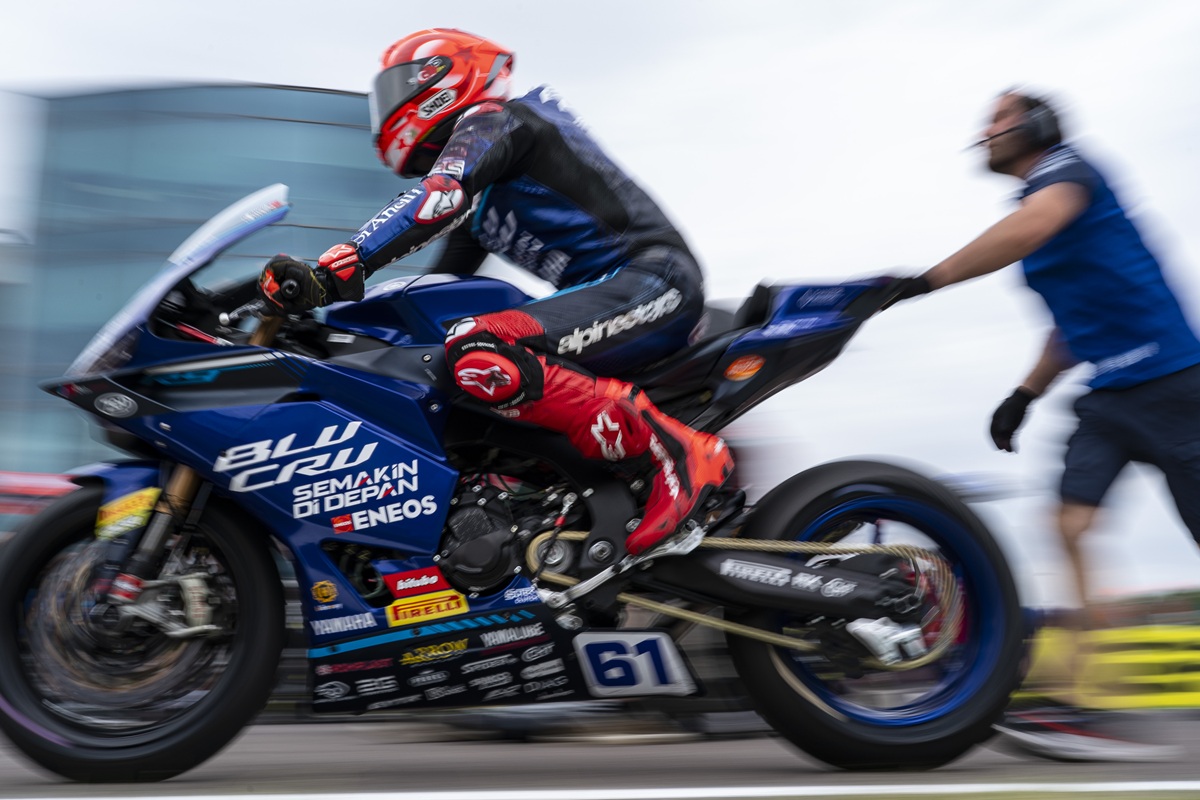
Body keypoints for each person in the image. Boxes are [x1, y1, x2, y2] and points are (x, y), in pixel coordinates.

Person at [256, 28, 733, 557]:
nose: (386, 109)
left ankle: (677, 454)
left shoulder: (500, 120)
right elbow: (428, 290)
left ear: (442, 79)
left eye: (397, 88)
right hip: (622, 294)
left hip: (656, 280)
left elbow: (437, 198)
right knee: (449, 360)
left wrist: (336, 269)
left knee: (478, 347)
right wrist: (328, 323)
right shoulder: (482, 206)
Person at [890, 90, 1197, 761]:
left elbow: (1032, 227)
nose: (985, 130)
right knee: (1069, 527)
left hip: (1177, 384)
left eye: (998, 118)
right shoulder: (1040, 208)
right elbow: (1071, 327)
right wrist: (1024, 394)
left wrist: (929, 280)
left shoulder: (1067, 171)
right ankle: (1083, 701)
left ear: (1037, 124)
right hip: (1110, 395)